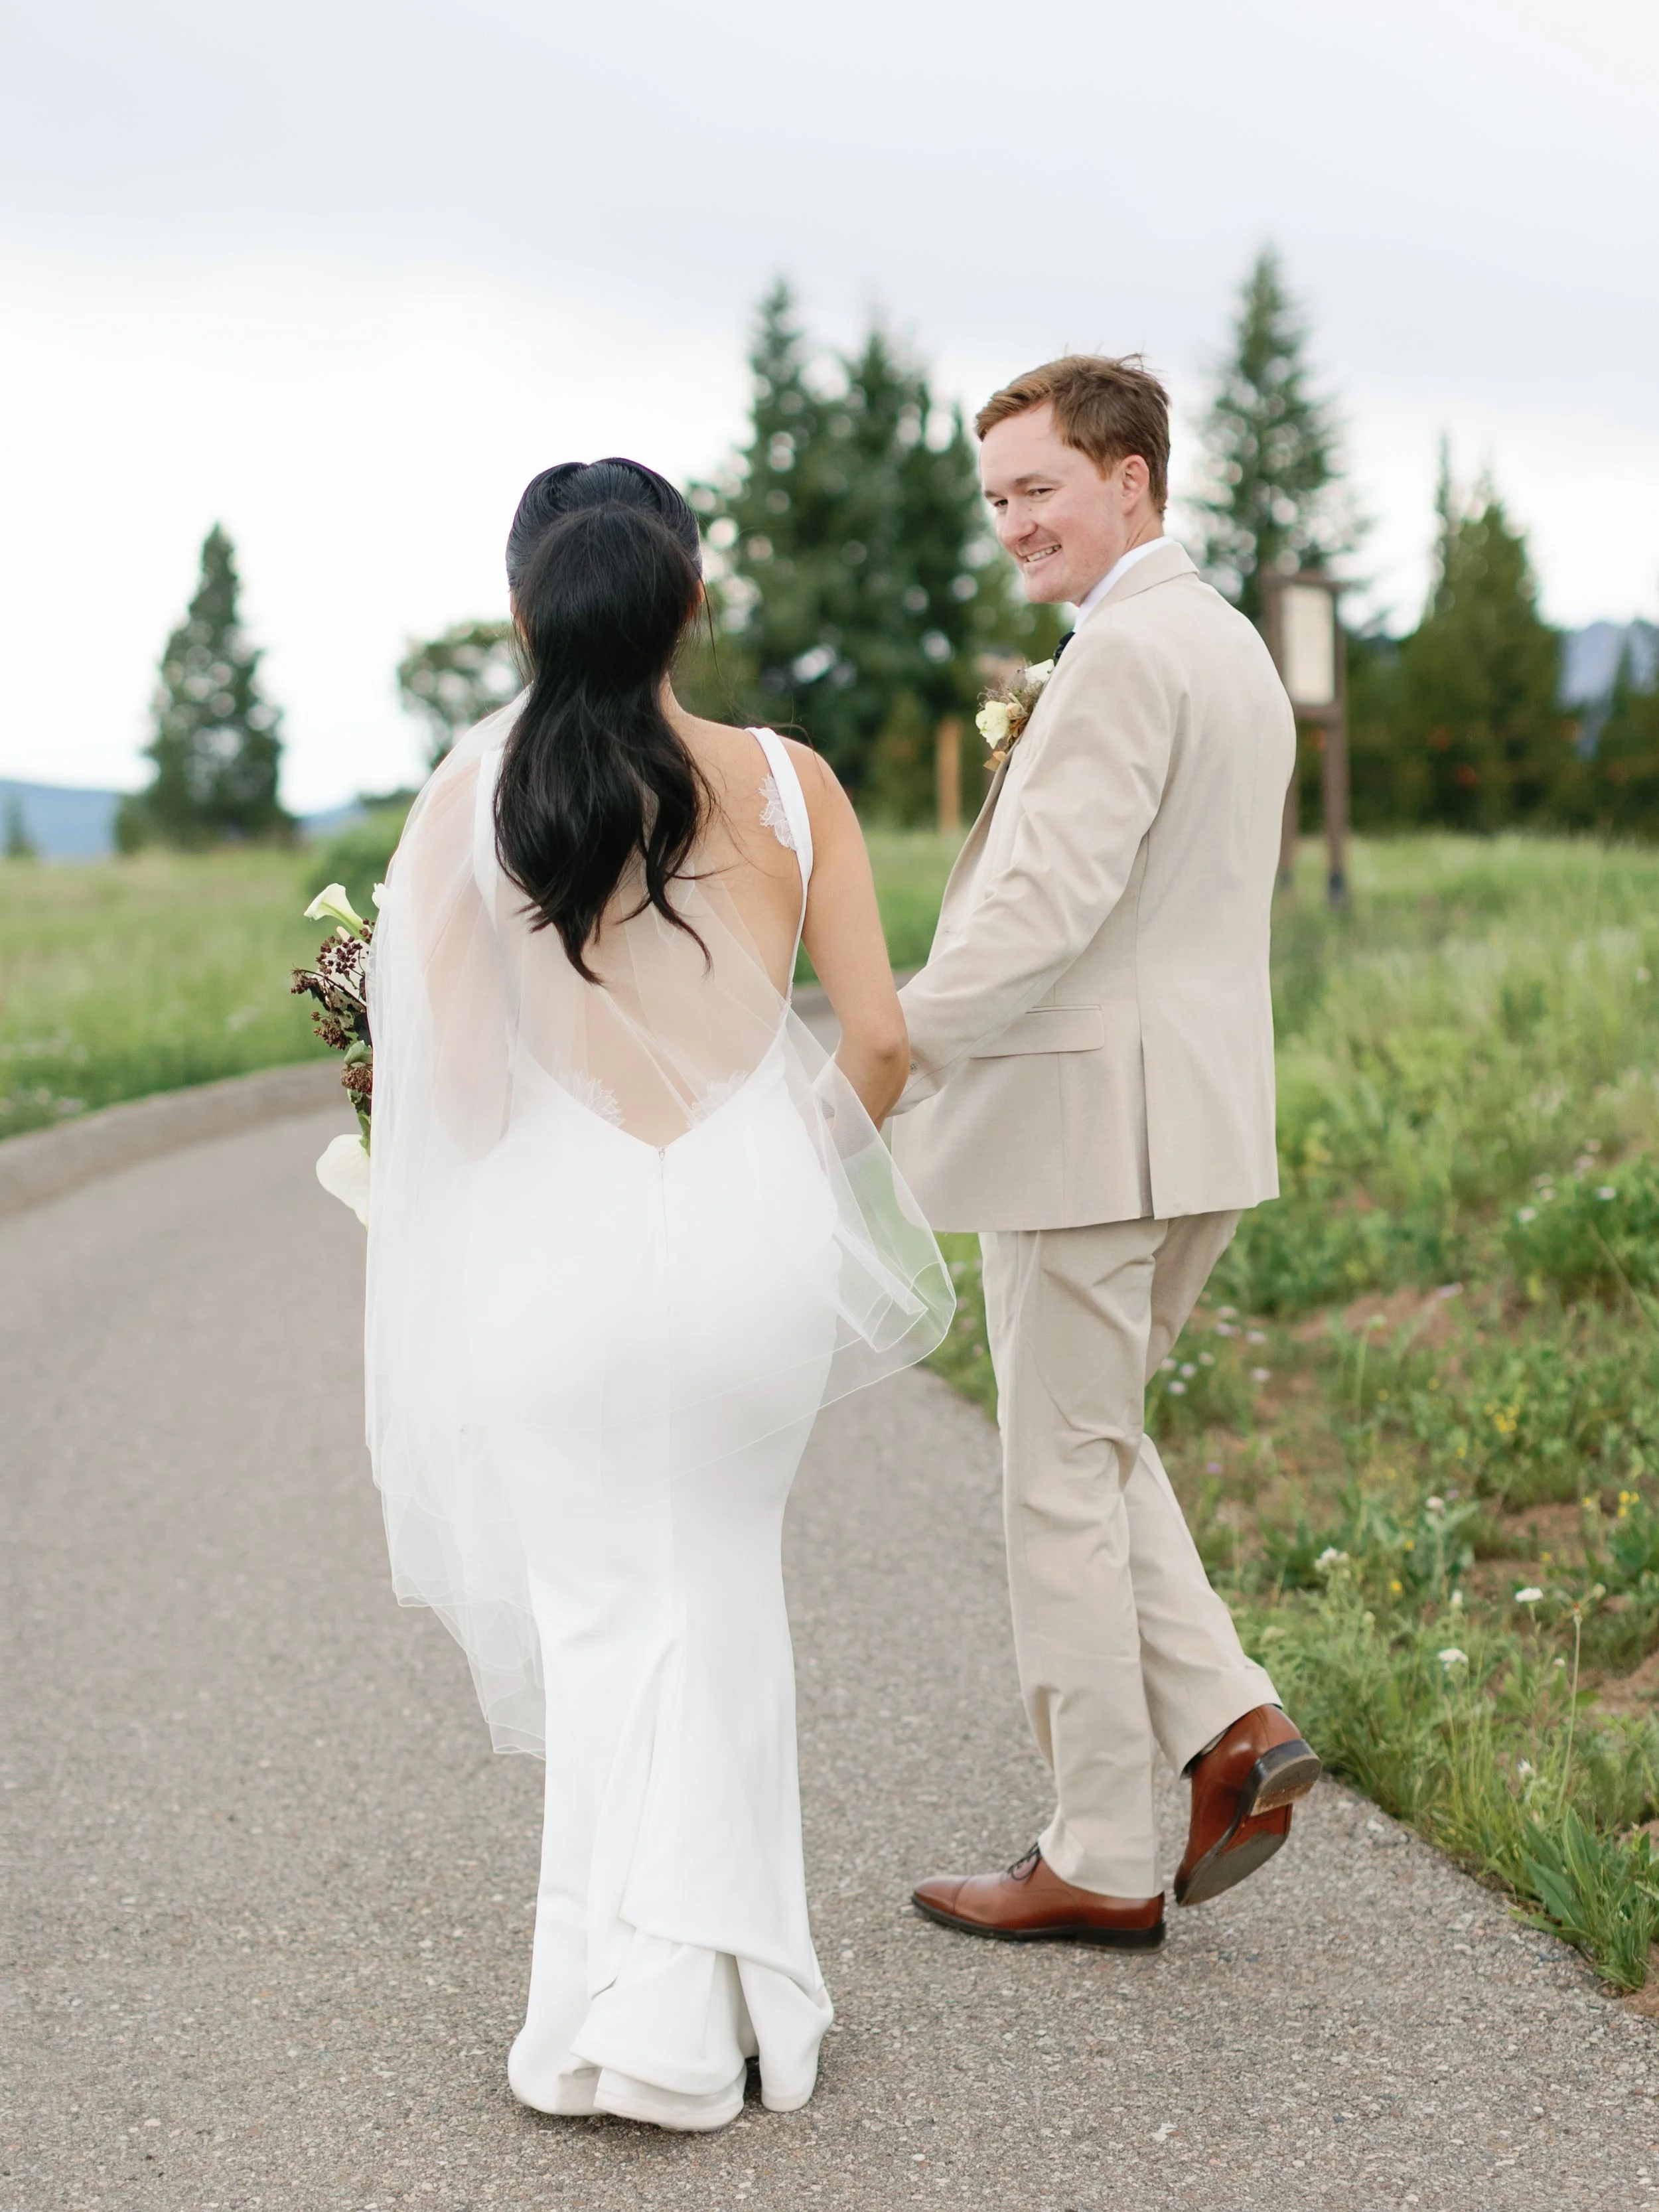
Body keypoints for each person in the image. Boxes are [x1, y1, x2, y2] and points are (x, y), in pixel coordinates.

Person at [362, 459, 952, 2128]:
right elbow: (884, 1038)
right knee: (720, 1583)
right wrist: (779, 1178)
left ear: (522, 610)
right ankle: (744, 2002)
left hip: (556, 1252)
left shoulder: (470, 797)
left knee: (603, 1608)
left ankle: (617, 2007)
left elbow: (459, 1099)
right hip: (743, 1255)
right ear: (694, 600)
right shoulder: (789, 780)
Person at [890, 356, 1321, 1949]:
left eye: (1037, 488)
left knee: (1054, 1485)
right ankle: (1230, 1727)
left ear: (1128, 477)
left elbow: (1043, 907)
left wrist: (898, 1043)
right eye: (994, 496)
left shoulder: (1125, 656)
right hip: (1195, 1117)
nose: (1011, 523)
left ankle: (1095, 1849)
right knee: (1095, 1445)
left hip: (1088, 1132)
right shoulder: (1225, 649)